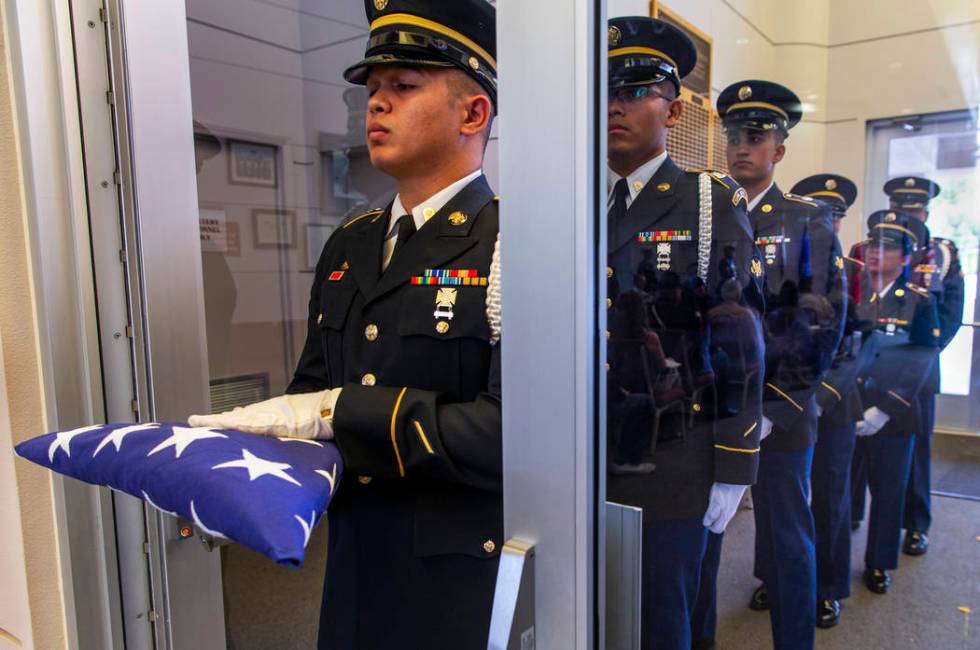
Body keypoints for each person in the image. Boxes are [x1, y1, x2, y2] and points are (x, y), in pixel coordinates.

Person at [191, 1, 503, 647]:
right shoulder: (354, 241)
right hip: (359, 551)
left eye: (404, 86)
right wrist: (239, 482)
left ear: (472, 113)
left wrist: (342, 411)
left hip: (460, 562)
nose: (376, 105)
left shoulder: (511, 243)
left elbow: (511, 434)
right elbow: (312, 388)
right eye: (372, 89)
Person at [604, 16, 765, 650]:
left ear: (671, 110)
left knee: (663, 617)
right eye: (608, 91)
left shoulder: (707, 200)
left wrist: (734, 460)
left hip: (675, 449)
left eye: (636, 89)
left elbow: (740, 334)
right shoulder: (576, 200)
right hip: (589, 446)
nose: (616, 104)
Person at [694, 81, 845, 650]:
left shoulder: (806, 222)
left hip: (780, 412)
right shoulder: (704, 214)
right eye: (734, 135)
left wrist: (774, 412)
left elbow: (821, 326)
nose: (741, 147)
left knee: (786, 539)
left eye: (756, 137)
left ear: (779, 150)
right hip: (715, 407)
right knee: (704, 536)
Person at [790, 174, 875, 628]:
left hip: (834, 402)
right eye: (819, 214)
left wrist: (823, 394)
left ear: (841, 222)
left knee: (828, 496)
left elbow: (862, 343)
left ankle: (827, 588)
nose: (827, 223)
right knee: (782, 499)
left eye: (834, 216)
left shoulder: (855, 273)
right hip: (789, 398)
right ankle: (777, 575)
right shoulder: (788, 263)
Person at [853, 210, 940, 594]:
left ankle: (878, 564)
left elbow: (922, 357)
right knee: (841, 494)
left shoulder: (917, 301)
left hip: (895, 414)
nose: (876, 253)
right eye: (873, 244)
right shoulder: (856, 294)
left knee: (888, 493)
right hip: (851, 410)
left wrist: (884, 408)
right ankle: (835, 564)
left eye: (888, 247)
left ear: (905, 259)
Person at [885, 177, 965, 556]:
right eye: (901, 209)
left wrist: (919, 357)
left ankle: (916, 524)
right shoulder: (878, 248)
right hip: (877, 369)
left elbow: (948, 317)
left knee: (916, 451)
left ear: (926, 213)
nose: (907, 216)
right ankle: (856, 519)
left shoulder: (941, 255)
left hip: (918, 371)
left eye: (914, 210)